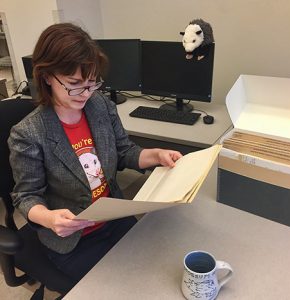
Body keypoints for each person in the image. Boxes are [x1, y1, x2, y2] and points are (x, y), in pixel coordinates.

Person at [8, 23, 182, 293]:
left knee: (155, 272)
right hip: (73, 239)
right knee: (119, 291)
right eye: (76, 85)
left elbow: (125, 152)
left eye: (92, 82)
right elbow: (26, 197)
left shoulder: (99, 105)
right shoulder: (29, 133)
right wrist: (49, 218)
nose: (87, 93)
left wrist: (157, 155)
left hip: (113, 217)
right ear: (48, 76)